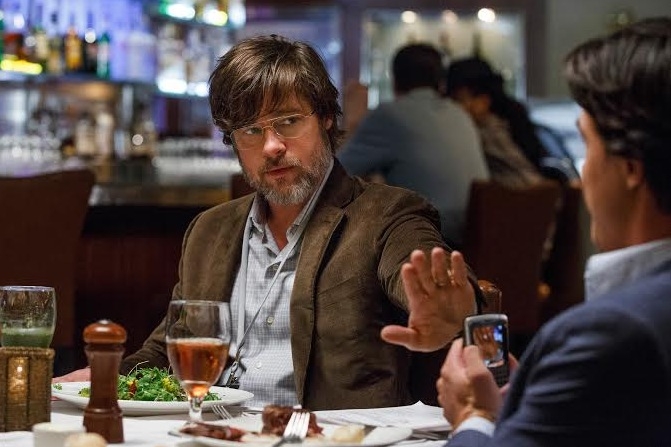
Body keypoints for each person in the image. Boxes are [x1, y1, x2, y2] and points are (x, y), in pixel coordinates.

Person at [55, 35, 480, 410]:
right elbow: (169, 351)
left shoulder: (386, 215)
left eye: (288, 121)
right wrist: (107, 378)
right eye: (251, 131)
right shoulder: (209, 230)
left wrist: (450, 308)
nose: (272, 146)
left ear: (326, 118)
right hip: (212, 433)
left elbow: (427, 273)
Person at [383, 17, 671, 446]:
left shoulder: (612, 334)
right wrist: (535, 397)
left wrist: (474, 416)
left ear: (630, 167)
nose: (583, 172)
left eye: (587, 145)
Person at [337, 43, 489, 247]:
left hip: (432, 240)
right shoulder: (459, 113)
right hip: (477, 239)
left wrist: (352, 122)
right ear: (441, 83)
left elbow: (335, 173)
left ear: (394, 81)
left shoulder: (389, 115)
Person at [444, 57, 546, 187]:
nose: (453, 108)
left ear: (483, 100)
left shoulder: (488, 129)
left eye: (458, 100)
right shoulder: (510, 119)